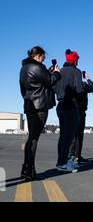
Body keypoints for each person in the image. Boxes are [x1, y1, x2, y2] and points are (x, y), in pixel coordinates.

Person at [19, 46, 61, 180]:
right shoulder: (38, 67)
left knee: (32, 138)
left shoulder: (24, 68)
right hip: (40, 107)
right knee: (33, 139)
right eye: (43, 57)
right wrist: (56, 73)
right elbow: (50, 81)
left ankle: (26, 169)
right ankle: (29, 170)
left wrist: (47, 73)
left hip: (29, 105)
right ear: (38, 55)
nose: (44, 59)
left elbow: (27, 87)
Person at [54, 49, 84, 172]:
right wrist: (80, 102)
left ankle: (62, 161)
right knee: (69, 137)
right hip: (71, 106)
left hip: (61, 105)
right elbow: (79, 90)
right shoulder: (76, 72)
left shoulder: (60, 71)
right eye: (77, 59)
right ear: (75, 60)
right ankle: (63, 163)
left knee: (63, 136)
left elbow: (54, 88)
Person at [68, 72, 93, 165]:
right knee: (79, 136)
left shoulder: (69, 84)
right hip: (80, 111)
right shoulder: (83, 85)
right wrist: (88, 78)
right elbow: (92, 87)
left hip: (71, 110)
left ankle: (72, 155)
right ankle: (76, 156)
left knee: (72, 135)